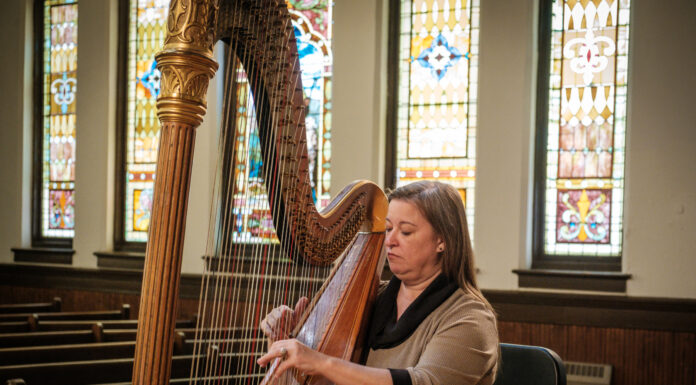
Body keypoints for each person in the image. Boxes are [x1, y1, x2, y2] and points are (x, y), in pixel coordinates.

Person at [257, 180, 499, 385]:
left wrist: (320, 362)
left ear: (442, 241)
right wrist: (285, 343)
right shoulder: (368, 298)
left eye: (405, 232)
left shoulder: (470, 318)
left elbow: (425, 381)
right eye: (388, 228)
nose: (389, 241)